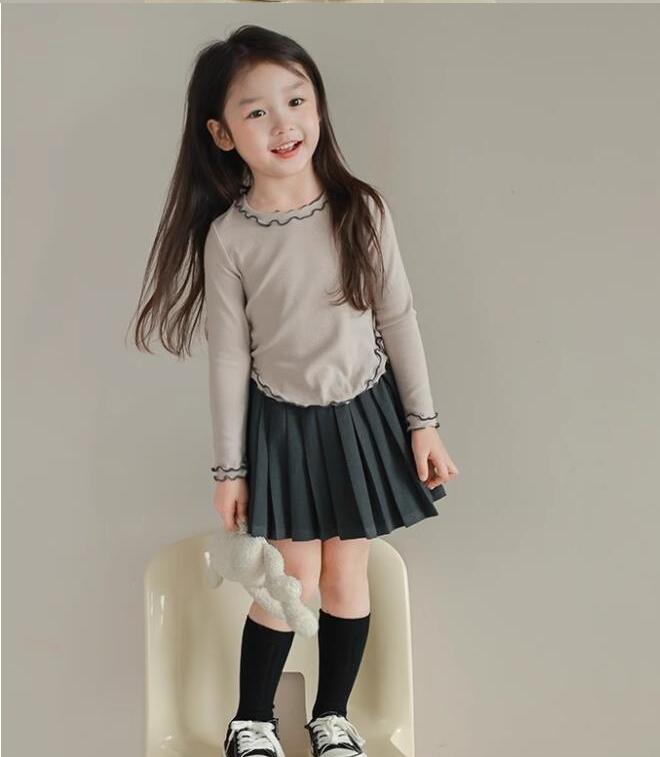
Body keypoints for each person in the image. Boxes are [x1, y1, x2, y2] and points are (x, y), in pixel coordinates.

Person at [132, 24, 459, 757]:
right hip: (282, 425)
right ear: (222, 134)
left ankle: (332, 717)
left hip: (364, 416)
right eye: (257, 111)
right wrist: (230, 470)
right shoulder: (230, 238)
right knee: (291, 575)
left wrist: (423, 423)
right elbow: (227, 360)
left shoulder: (360, 210)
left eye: (296, 100)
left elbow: (399, 317)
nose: (283, 123)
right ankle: (250, 720)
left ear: (318, 106)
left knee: (347, 571)